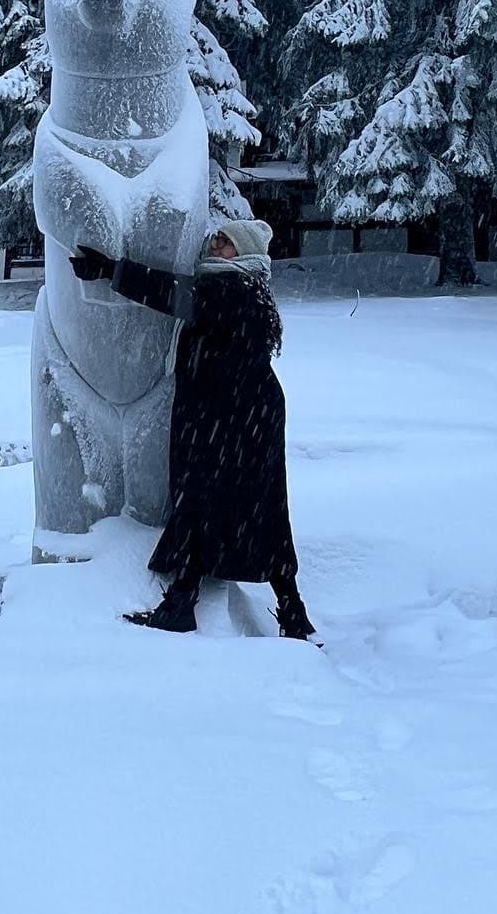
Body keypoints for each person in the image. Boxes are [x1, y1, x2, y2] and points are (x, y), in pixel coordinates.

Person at [69, 218, 317, 641]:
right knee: (260, 512)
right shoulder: (243, 290)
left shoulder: (231, 291)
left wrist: (112, 270)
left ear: (246, 254)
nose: (214, 245)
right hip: (240, 416)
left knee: (202, 501)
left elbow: (172, 293)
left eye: (225, 243)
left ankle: (185, 604)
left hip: (231, 419)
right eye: (216, 239)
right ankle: (287, 614)